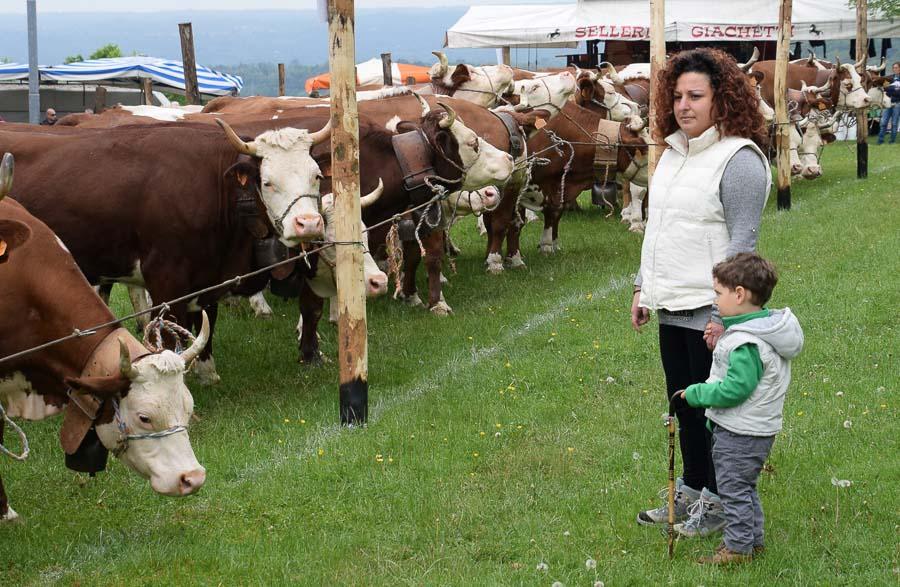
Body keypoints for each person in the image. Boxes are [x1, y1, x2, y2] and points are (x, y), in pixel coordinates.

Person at [631, 48, 771, 537]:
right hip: (671, 306)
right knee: (684, 405)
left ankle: (716, 502)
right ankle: (691, 488)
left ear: (722, 99)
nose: (683, 106)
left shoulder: (739, 160)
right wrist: (642, 287)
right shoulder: (672, 153)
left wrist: (723, 315)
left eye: (696, 96)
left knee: (716, 414)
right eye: (677, 96)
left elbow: (742, 246)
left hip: (709, 313)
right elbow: (660, 229)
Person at [675, 253, 803, 564]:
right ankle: (753, 541)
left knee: (733, 490)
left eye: (718, 293)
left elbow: (735, 389)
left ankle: (737, 547)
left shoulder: (746, 341)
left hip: (742, 431)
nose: (715, 299)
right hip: (752, 428)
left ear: (740, 294)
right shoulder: (754, 330)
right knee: (743, 487)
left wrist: (697, 393)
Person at [877, 62, 900, 145]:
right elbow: (885, 90)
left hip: (897, 104)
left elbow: (897, 93)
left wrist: (891, 91)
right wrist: (894, 91)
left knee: (894, 123)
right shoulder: (889, 79)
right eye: (894, 67)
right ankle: (880, 141)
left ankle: (892, 141)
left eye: (897, 67)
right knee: (883, 122)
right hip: (888, 103)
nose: (895, 69)